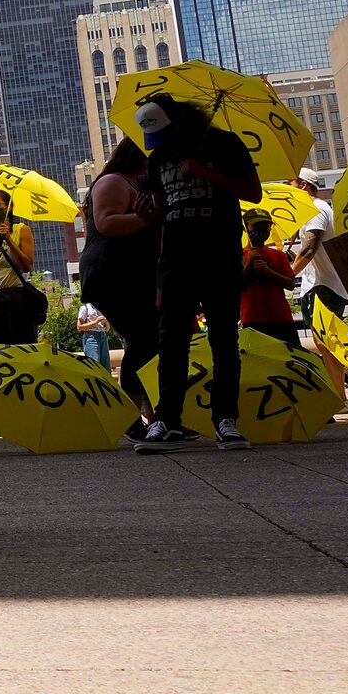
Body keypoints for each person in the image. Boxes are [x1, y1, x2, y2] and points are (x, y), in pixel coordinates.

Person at [131, 95, 262, 453]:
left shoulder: (223, 143)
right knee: (170, 340)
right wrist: (147, 213)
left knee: (223, 338)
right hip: (175, 256)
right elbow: (161, 208)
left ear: (180, 122)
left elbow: (253, 192)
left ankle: (225, 420)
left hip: (218, 252)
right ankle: (166, 420)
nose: (162, 145)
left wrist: (208, 173)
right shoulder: (158, 157)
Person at [81, 138, 167, 441]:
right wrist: (145, 217)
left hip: (131, 274)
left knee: (147, 340)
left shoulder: (137, 183)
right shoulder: (113, 181)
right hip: (112, 272)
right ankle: (131, 417)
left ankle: (150, 416)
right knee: (144, 339)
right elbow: (106, 223)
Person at [285, 172, 348, 412]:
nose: (289, 192)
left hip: (324, 286)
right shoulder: (315, 210)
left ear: (304, 186)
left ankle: (341, 399)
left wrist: (286, 275)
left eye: (291, 187)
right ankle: (339, 396)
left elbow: (309, 248)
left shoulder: (317, 209)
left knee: (327, 344)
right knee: (326, 344)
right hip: (323, 284)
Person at [0, 192, 45, 347]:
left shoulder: (21, 230)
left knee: (24, 347)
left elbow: (27, 265)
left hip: (16, 298)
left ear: (8, 206)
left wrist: (9, 240)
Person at [238, 212, 300, 353]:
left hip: (281, 318)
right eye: (256, 226)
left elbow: (290, 284)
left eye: (265, 226)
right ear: (246, 228)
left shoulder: (278, 255)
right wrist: (248, 264)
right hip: (252, 318)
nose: (262, 230)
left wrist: (268, 271)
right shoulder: (240, 256)